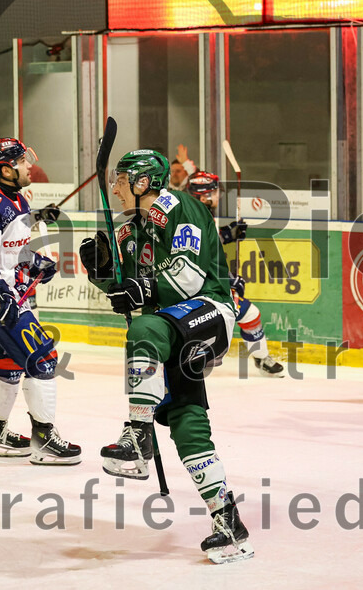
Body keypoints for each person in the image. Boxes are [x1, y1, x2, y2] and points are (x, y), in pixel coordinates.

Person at [79, 149, 253, 564]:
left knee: (144, 328)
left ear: (143, 183)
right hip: (173, 330)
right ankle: (228, 522)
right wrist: (103, 272)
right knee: (185, 420)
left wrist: (140, 293)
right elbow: (125, 291)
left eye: (121, 181)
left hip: (209, 311)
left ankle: (138, 439)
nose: (114, 189)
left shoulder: (181, 207)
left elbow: (188, 277)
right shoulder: (128, 231)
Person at [0, 137, 81, 465]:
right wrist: (0, 294)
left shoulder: (15, 201)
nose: (30, 166)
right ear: (5, 169)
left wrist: (36, 259)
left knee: (9, 367)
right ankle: (44, 440)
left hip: (7, 297)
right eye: (23, 161)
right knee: (44, 360)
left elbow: (12, 248)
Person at [187, 171, 284, 377]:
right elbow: (199, 258)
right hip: (196, 285)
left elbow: (208, 245)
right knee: (246, 314)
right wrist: (229, 280)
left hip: (196, 281)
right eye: (215, 192)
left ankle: (260, 359)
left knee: (247, 313)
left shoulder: (197, 213)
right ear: (204, 196)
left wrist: (228, 233)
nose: (219, 196)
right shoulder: (197, 217)